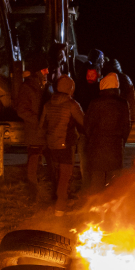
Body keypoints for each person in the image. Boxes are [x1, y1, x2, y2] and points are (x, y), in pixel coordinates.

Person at [40, 75, 83, 214]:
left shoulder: (48, 104)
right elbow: (84, 122)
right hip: (66, 145)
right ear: (70, 88)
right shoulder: (72, 104)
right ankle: (60, 207)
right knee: (65, 175)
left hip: (52, 145)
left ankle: (58, 200)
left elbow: (42, 125)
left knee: (57, 174)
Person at [84, 73, 130, 193]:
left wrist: (91, 141)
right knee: (113, 184)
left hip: (97, 148)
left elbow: (88, 126)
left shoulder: (95, 103)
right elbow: (126, 127)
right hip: (115, 149)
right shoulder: (123, 104)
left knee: (96, 182)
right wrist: (121, 142)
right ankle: (110, 209)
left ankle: (94, 208)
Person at [16, 59, 50, 201]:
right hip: (34, 130)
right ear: (37, 72)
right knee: (34, 157)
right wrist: (39, 121)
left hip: (42, 130)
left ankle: (42, 189)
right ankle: (33, 191)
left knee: (42, 158)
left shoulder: (43, 86)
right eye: (44, 70)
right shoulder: (28, 87)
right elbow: (22, 111)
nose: (47, 72)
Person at [108, 58, 135, 123]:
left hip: (112, 115)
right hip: (125, 113)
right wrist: (133, 116)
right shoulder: (125, 78)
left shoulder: (107, 79)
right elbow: (132, 99)